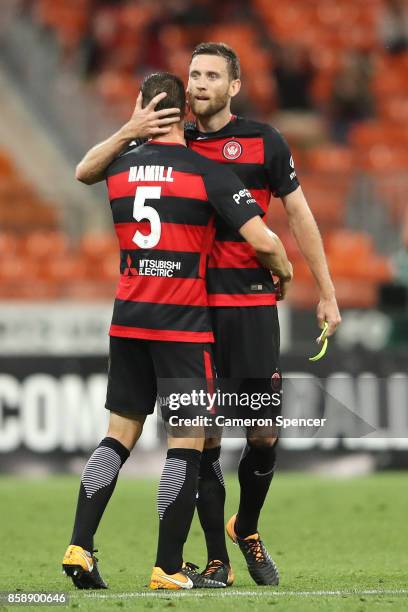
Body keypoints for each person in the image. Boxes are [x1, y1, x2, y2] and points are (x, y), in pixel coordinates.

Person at [75, 42, 341, 587]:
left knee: (263, 434)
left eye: (211, 76)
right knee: (205, 437)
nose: (198, 84)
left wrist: (325, 289)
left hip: (250, 305)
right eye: (193, 74)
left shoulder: (264, 141)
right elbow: (92, 169)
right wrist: (132, 127)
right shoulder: (178, 143)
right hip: (194, 312)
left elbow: (299, 214)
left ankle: (247, 525)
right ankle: (215, 557)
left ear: (233, 86)